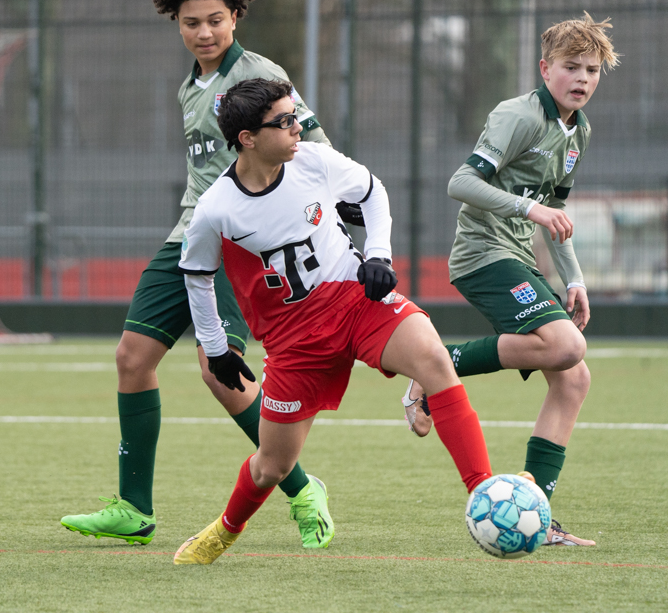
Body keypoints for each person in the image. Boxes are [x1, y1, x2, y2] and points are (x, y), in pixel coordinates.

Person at [61, 0, 346, 549]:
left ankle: (299, 486)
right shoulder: (190, 85)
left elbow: (317, 150)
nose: (204, 31)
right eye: (192, 22)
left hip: (243, 244)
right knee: (132, 357)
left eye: (214, 19)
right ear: (178, 25)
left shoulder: (262, 78)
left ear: (234, 16)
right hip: (189, 235)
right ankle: (134, 510)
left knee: (222, 373)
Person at [172, 78, 494, 565]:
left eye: (294, 114)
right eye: (283, 121)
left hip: (353, 300)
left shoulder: (315, 161)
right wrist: (215, 346)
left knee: (432, 358)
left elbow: (373, 192)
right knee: (272, 467)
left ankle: (484, 495)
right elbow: (196, 275)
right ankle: (224, 530)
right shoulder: (216, 209)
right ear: (247, 139)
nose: (297, 126)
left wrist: (379, 255)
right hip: (293, 342)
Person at [401, 12, 619, 547]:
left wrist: (576, 280)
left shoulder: (577, 132)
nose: (582, 79)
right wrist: (529, 209)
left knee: (575, 377)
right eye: (572, 67)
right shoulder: (517, 116)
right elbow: (461, 182)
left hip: (519, 256)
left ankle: (538, 515)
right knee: (567, 346)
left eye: (592, 70)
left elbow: (558, 214)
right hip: (482, 254)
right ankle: (435, 371)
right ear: (545, 69)